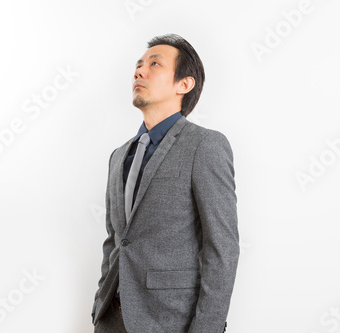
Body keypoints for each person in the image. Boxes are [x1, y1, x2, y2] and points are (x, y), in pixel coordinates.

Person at [91, 33, 240, 333]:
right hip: (111, 321)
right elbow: (115, 241)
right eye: (138, 65)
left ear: (184, 84)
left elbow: (222, 249)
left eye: (154, 64)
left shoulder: (205, 146)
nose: (139, 71)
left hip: (170, 322)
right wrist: (99, 306)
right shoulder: (118, 156)